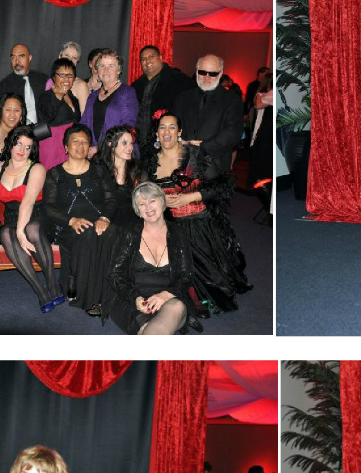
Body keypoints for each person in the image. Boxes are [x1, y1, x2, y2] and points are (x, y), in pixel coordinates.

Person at [147, 110, 251, 314]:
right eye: (162, 127)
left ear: (179, 132)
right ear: (157, 132)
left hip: (198, 224)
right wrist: (160, 200)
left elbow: (222, 186)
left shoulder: (194, 155)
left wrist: (190, 197)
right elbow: (144, 192)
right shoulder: (151, 161)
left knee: (211, 279)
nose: (166, 132)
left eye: (172, 127)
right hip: (169, 225)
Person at [42, 123, 117, 315]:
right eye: (75, 141)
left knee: (110, 233)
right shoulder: (55, 174)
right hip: (67, 226)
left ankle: (104, 294)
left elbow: (111, 198)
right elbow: (48, 207)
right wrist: (71, 221)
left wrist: (105, 218)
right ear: (66, 147)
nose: (80, 145)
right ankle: (90, 299)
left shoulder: (99, 170)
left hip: (98, 222)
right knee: (88, 234)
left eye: (85, 142)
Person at [108, 181, 199, 335]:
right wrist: (135, 298)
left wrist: (165, 295)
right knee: (148, 329)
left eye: (152, 201)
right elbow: (115, 274)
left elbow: (186, 275)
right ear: (137, 210)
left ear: (162, 202)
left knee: (176, 307)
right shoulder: (128, 233)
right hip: (133, 299)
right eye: (142, 204)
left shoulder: (178, 233)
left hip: (170, 297)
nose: (148, 208)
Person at [0, 125, 64, 312]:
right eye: (18, 144)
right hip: (11, 218)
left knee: (31, 229)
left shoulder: (37, 168)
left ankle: (52, 284)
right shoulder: (0, 167)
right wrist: (17, 231)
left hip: (38, 216)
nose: (22, 150)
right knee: (4, 232)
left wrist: (21, 232)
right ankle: (40, 291)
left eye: (28, 147)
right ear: (11, 144)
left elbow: (28, 201)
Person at [174, 55, 244, 169]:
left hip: (215, 165)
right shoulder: (182, 98)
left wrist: (201, 147)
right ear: (197, 72)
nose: (207, 77)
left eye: (212, 73)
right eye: (203, 72)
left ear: (220, 74)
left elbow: (233, 133)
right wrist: (181, 144)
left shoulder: (232, 100)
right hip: (183, 162)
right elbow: (174, 125)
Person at [132, 45, 193, 147]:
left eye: (151, 56)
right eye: (143, 59)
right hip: (139, 143)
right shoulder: (136, 86)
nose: (147, 61)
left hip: (168, 142)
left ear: (160, 58)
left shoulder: (180, 81)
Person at [81, 50, 138, 150]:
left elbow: (128, 126)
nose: (106, 70)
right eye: (102, 66)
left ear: (119, 70)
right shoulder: (92, 96)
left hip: (118, 152)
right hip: (92, 153)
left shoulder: (127, 93)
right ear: (97, 69)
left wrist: (100, 149)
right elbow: (84, 124)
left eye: (111, 66)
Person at [36, 58, 81, 170]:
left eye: (70, 75)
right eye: (61, 75)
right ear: (53, 77)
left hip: (70, 145)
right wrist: (58, 97)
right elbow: (47, 118)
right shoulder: (46, 96)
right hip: (52, 146)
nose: (66, 79)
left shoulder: (73, 97)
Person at [97, 125, 140, 230]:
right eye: (124, 143)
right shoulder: (98, 168)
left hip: (132, 224)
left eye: (131, 143)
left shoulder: (136, 169)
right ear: (110, 144)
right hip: (105, 223)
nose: (130, 147)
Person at [0, 44, 50, 121]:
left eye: (21, 56)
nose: (17, 61)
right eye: (13, 57)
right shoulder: (4, 86)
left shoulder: (43, 80)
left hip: (43, 126)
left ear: (30, 58)